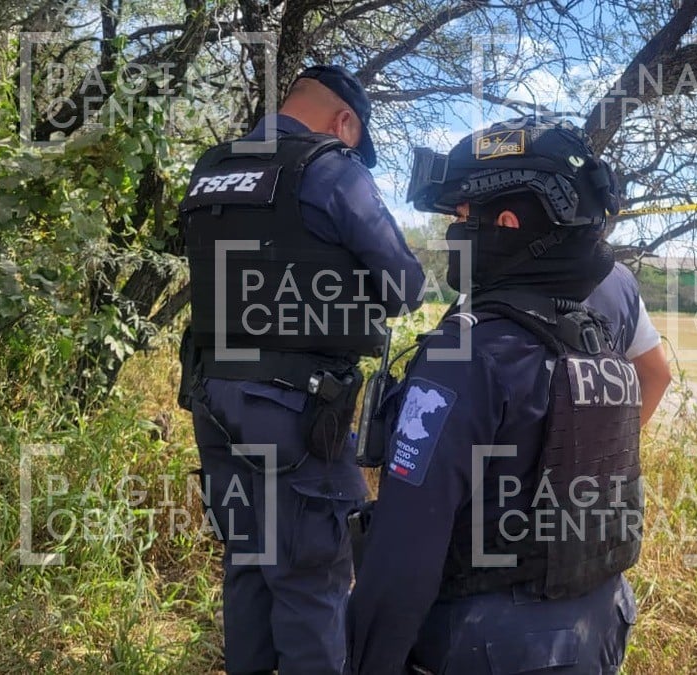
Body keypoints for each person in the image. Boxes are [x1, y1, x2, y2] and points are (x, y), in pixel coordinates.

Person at [346, 117, 641, 674]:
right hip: (599, 630)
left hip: (491, 647)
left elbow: (404, 553)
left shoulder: (469, 354)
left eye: (460, 218)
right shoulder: (596, 340)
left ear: (505, 223)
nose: (453, 234)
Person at [177, 64, 424, 675]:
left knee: (250, 563)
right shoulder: (331, 169)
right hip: (293, 410)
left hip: (212, 397)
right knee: (311, 578)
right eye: (353, 136)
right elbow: (405, 284)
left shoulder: (211, 167)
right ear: (345, 122)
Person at [585, 263, 672, 427]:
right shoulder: (619, 280)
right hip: (598, 447)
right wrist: (618, 442)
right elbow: (657, 375)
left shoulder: (522, 264)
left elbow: (658, 376)